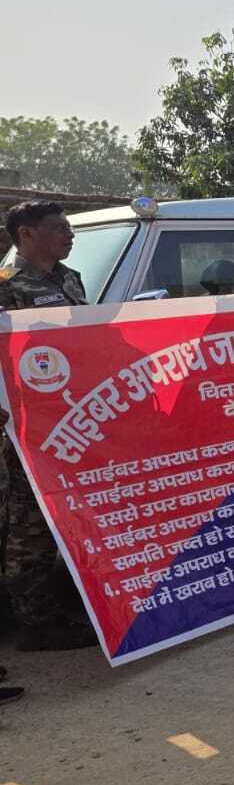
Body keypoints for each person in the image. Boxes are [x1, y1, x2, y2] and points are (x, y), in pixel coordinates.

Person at [0, 201, 96, 655]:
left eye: (68, 228)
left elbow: (88, 338)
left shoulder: (70, 279)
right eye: (59, 228)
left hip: (72, 418)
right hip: (23, 424)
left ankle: (73, 603)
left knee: (71, 511)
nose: (69, 235)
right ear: (26, 233)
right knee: (29, 522)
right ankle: (37, 623)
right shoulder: (6, 284)